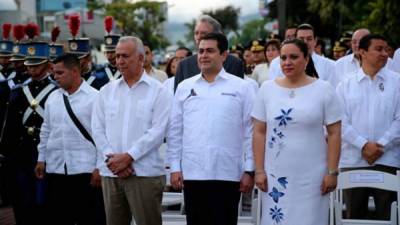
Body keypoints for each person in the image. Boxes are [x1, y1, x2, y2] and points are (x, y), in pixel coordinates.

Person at [168, 32, 255, 225]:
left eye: (210, 51)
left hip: (228, 173)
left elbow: (250, 131)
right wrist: (175, 167)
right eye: (200, 51)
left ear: (224, 55)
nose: (203, 55)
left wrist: (249, 170)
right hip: (193, 173)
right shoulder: (184, 87)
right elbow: (175, 130)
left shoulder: (242, 88)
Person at [252, 38, 341, 225]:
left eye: (293, 57)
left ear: (306, 59)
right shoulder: (267, 89)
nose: (287, 62)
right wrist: (259, 170)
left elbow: (334, 133)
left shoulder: (324, 89)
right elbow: (259, 131)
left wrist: (332, 172)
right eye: (283, 57)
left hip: (313, 176)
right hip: (275, 175)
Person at [92, 36, 171, 225]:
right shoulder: (106, 91)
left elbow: (158, 131)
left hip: (144, 173)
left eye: (125, 56)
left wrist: (129, 157)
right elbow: (97, 128)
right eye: (117, 56)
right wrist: (113, 159)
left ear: (141, 59)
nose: (119, 61)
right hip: (111, 172)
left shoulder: (159, 91)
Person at [336, 34, 400, 220]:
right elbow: (340, 122)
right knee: (354, 216)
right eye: (378, 49)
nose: (385, 54)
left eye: (386, 50)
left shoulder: (397, 82)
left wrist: (380, 145)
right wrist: (363, 145)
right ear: (362, 52)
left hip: (387, 159)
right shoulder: (346, 85)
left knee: (387, 216)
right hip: (353, 161)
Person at [34, 54, 100, 225]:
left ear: (75, 72)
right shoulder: (52, 98)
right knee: (59, 217)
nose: (55, 77)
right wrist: (41, 159)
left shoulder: (95, 98)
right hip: (56, 169)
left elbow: (103, 136)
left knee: (89, 218)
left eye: (60, 73)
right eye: (54, 73)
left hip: (85, 169)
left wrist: (99, 167)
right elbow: (46, 130)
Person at [5, 41, 58, 225]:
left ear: (46, 64)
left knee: (46, 200)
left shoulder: (56, 91)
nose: (33, 69)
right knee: (23, 198)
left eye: (37, 65)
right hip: (23, 151)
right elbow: (10, 124)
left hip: (48, 151)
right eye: (30, 65)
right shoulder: (18, 91)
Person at [174, 14, 244, 92]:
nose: (199, 37)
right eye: (196, 33)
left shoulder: (234, 63)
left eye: (203, 33)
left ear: (217, 34)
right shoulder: (184, 66)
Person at [268, 24, 337, 87]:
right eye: (301, 39)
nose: (305, 42)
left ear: (315, 41)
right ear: (295, 40)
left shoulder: (329, 65)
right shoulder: (276, 63)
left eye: (309, 39)